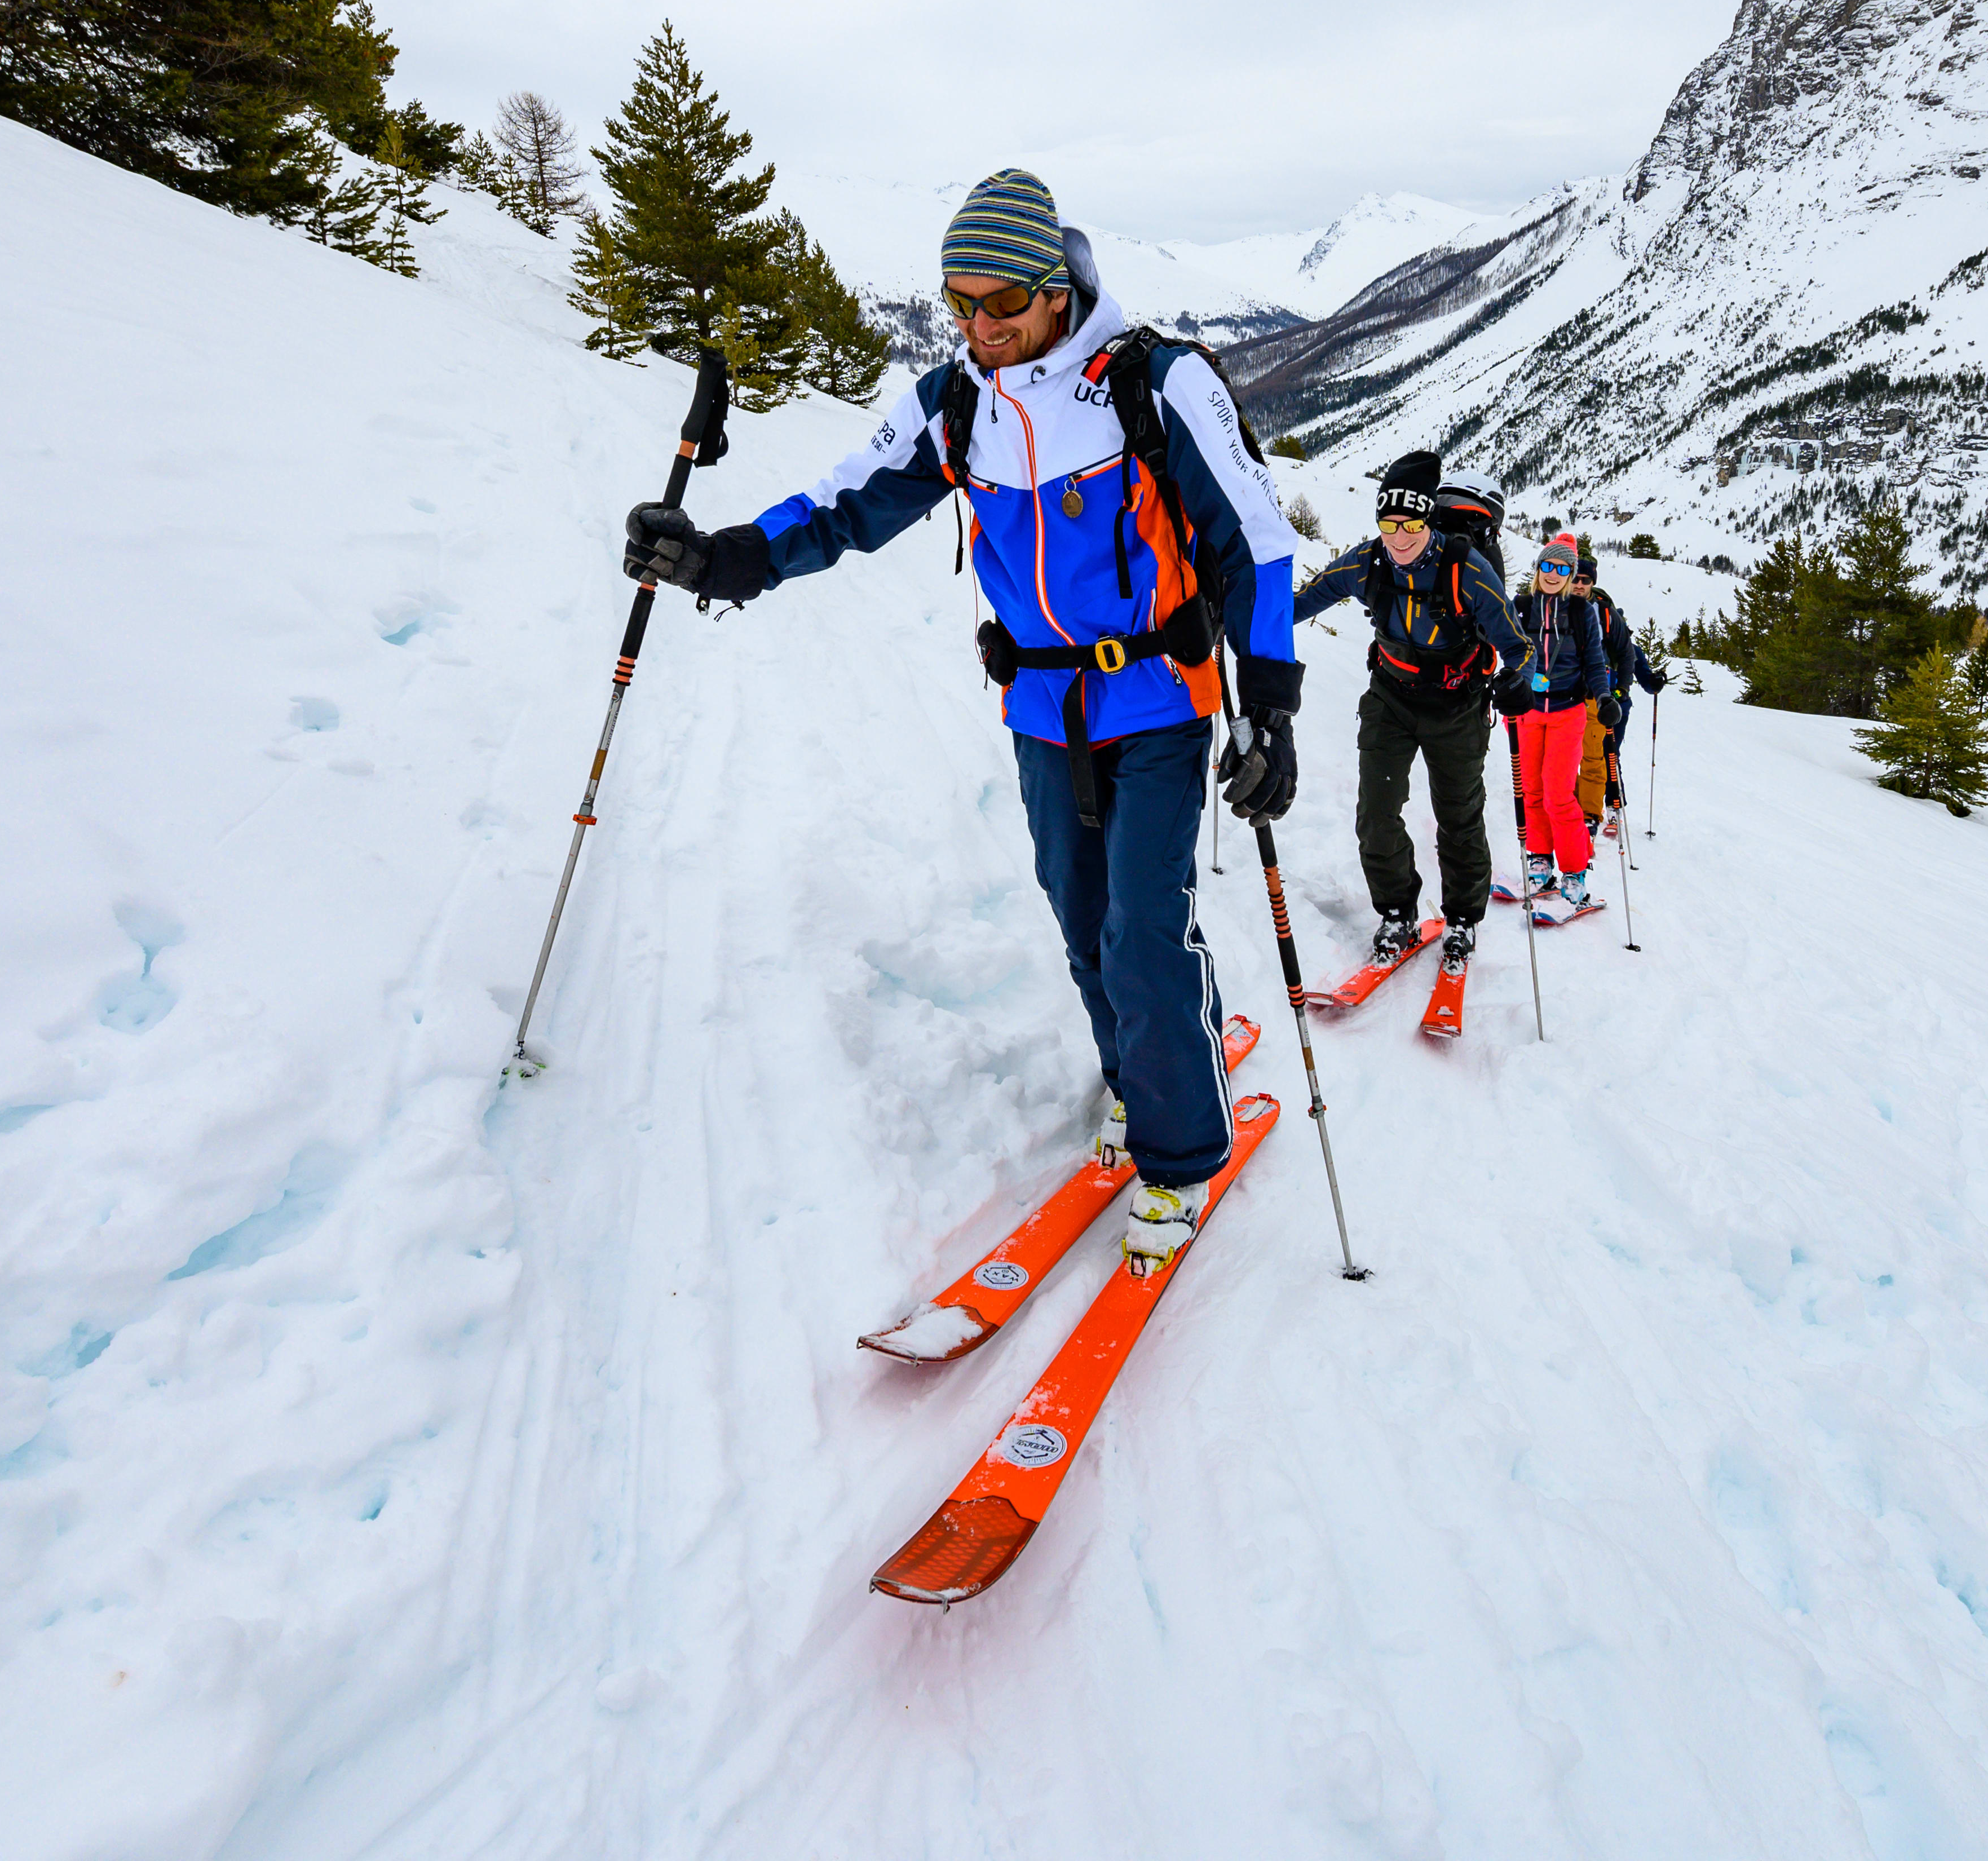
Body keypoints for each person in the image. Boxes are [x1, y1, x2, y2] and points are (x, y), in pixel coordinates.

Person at [619, 169, 1302, 1275]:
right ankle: (1144, 1073)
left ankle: (1179, 1157)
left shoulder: (1156, 383)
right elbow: (848, 502)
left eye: (1001, 305)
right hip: (1039, 701)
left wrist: (1270, 705)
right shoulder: (958, 403)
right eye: (961, 306)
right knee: (1085, 918)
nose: (981, 329)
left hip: (1161, 697)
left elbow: (1259, 543)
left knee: (1140, 926)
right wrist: (726, 555)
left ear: (1055, 287)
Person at [1288, 450, 1530, 978]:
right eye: (1389, 525)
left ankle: (1463, 917)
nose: (1400, 539)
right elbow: (1301, 603)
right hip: (1391, 700)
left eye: (1412, 526)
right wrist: (1235, 617)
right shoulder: (1368, 562)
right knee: (1376, 815)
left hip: (1457, 706)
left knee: (1459, 818)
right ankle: (1396, 912)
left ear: (1429, 523)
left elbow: (1523, 650)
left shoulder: (1469, 571)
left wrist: (1521, 683)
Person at [1502, 532, 1614, 909]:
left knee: (1558, 794)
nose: (1554, 574)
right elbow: (1499, 649)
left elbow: (1596, 662)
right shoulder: (1519, 606)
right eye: (1548, 566)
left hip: (1568, 712)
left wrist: (1604, 696)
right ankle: (1539, 859)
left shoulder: (1583, 613)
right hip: (1526, 712)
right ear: (1538, 569)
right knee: (1531, 791)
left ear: (1570, 575)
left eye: (1562, 569)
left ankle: (1574, 869)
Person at [1578, 569, 1669, 839]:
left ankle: (1613, 807)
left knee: (1608, 754)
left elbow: (1639, 668)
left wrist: (1653, 682)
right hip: (1592, 701)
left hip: (1615, 705)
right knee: (1590, 754)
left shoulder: (1621, 642)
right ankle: (1590, 804)